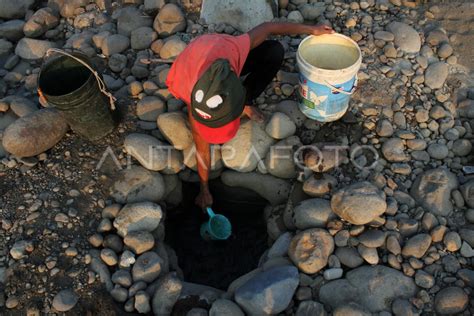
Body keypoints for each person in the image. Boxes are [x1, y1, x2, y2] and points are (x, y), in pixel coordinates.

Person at [166, 22, 334, 209]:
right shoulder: (192, 100)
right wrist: (204, 188)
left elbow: (268, 27)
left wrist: (312, 29)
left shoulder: (233, 48)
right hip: (192, 65)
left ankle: (246, 102)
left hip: (217, 49)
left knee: (274, 51)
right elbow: (202, 148)